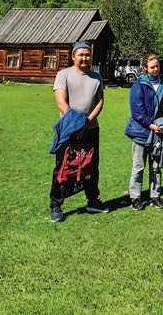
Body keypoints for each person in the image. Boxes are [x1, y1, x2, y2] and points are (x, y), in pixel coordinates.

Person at [49, 41, 108, 222]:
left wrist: (87, 122)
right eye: (81, 54)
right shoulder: (64, 75)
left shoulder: (96, 77)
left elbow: (100, 102)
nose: (84, 57)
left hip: (91, 129)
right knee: (63, 166)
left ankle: (93, 201)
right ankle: (56, 205)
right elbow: (61, 102)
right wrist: (76, 125)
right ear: (73, 56)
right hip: (68, 129)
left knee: (91, 165)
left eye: (87, 54)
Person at [126, 53, 163, 210]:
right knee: (138, 166)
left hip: (159, 131)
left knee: (156, 166)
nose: (155, 69)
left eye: (157, 66)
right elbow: (137, 110)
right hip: (141, 131)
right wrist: (150, 124)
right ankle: (135, 197)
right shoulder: (139, 84)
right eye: (152, 67)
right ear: (145, 68)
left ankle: (155, 196)